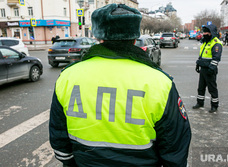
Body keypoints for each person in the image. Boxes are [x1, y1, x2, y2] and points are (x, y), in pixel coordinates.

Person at [49, 3, 191, 167]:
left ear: (98, 37)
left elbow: (58, 133)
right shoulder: (160, 82)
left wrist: (69, 163)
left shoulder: (68, 76)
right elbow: (175, 143)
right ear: (134, 37)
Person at [193, 24, 223, 113]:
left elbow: (216, 58)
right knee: (201, 88)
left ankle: (214, 105)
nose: (204, 34)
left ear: (211, 33)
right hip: (203, 69)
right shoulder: (205, 42)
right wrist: (198, 64)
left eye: (206, 32)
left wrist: (211, 68)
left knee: (212, 89)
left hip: (210, 69)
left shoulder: (216, 43)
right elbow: (202, 55)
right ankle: (200, 103)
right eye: (204, 32)